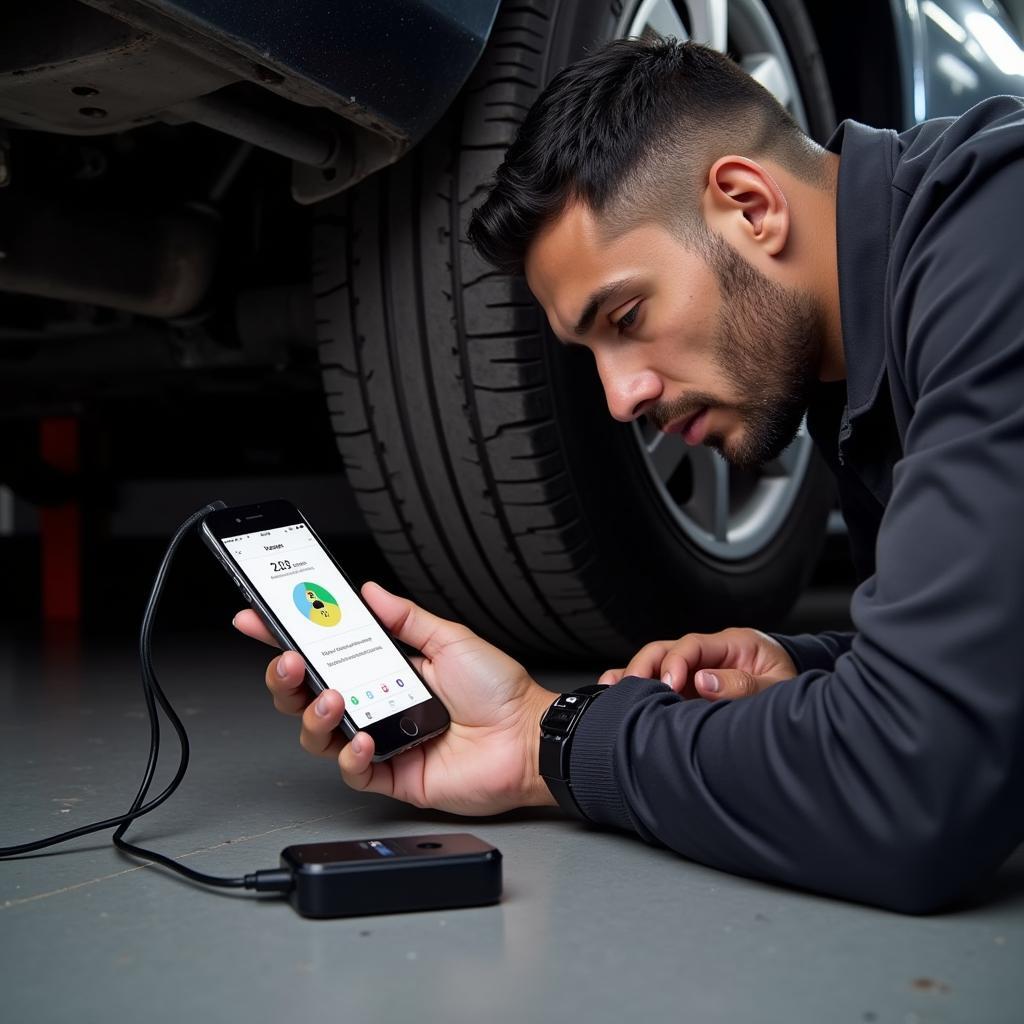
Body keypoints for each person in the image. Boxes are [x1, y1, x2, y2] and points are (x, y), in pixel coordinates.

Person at [235, 40, 1024, 912]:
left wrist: (554, 743)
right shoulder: (876, 332)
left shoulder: (1000, 242)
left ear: (749, 206)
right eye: (593, 354)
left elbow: (910, 791)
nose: (620, 397)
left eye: (628, 315)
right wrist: (811, 673)